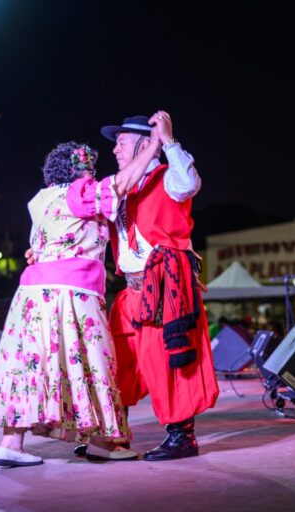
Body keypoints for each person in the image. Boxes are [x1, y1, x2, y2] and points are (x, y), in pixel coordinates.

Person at [0, 133, 159, 467]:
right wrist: (154, 146)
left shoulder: (42, 198)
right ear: (77, 171)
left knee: (32, 365)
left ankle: (11, 443)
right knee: (91, 361)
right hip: (71, 294)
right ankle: (101, 441)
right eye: (88, 167)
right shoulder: (79, 192)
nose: (93, 173)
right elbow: (121, 183)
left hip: (32, 297)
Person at [101, 111, 219, 461]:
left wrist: (167, 140)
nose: (115, 150)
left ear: (143, 144)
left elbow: (189, 183)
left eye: (121, 142)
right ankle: (115, 435)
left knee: (166, 360)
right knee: (119, 361)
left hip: (164, 289)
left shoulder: (168, 177)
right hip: (130, 291)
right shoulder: (121, 187)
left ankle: (182, 436)